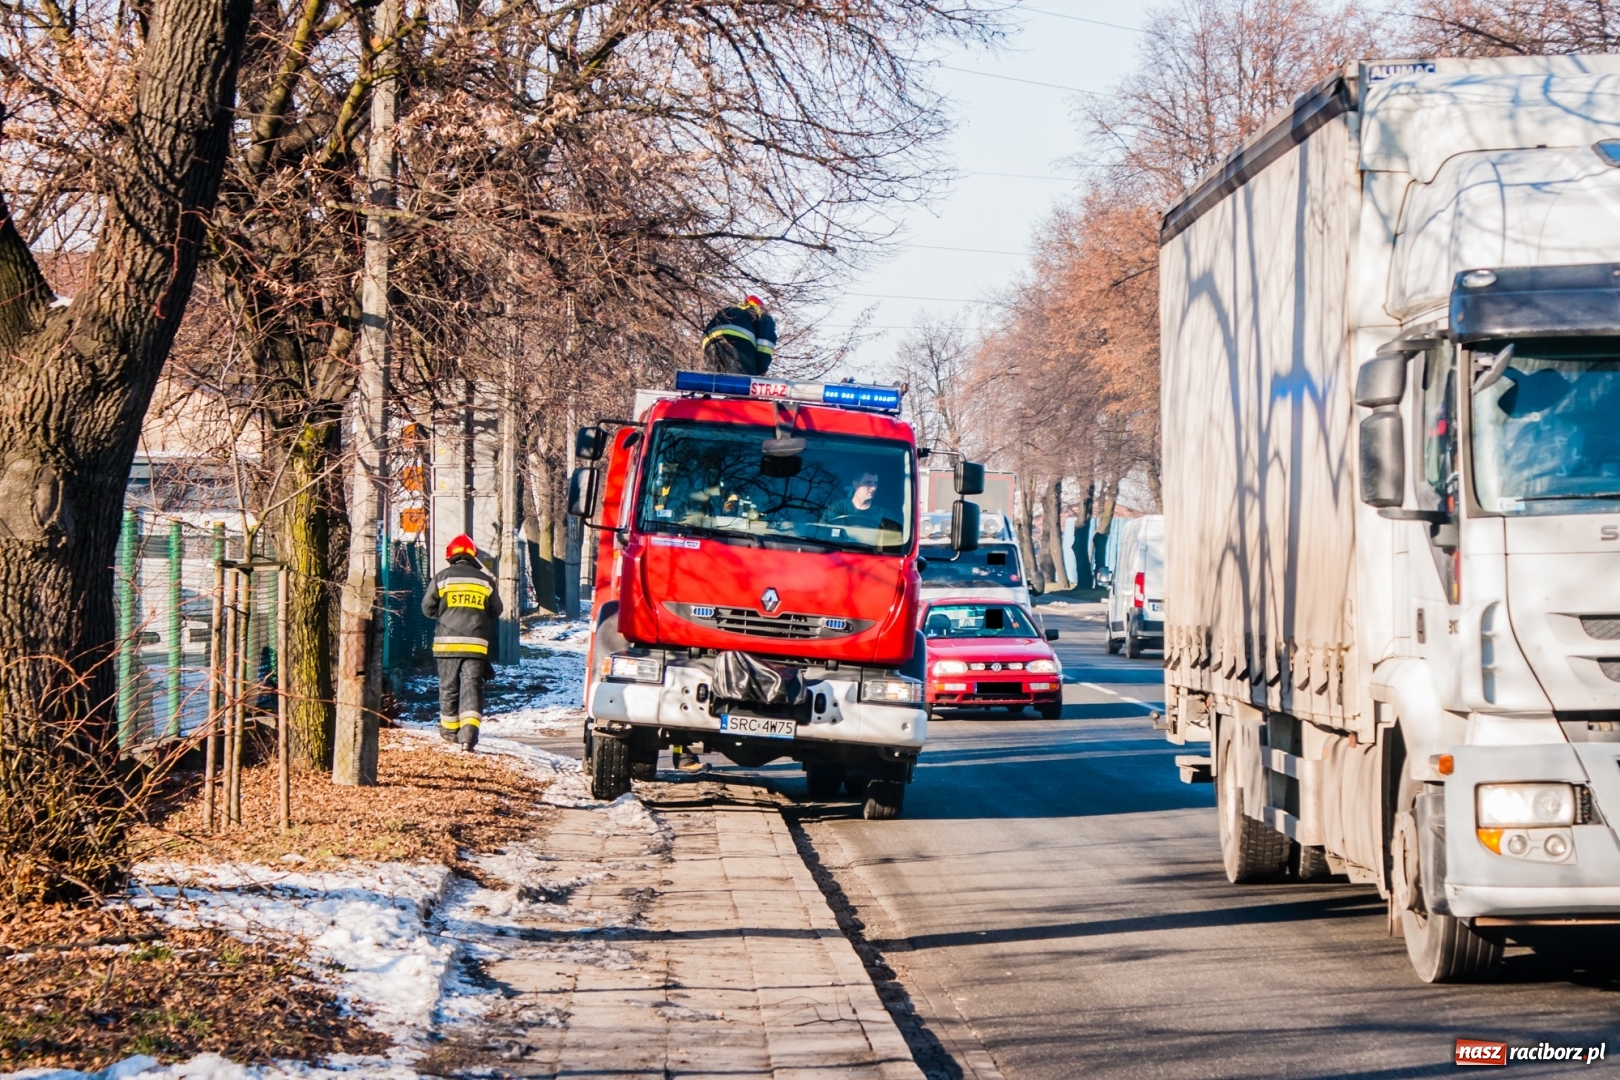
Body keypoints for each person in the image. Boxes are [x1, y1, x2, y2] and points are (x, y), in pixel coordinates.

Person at [422, 533, 503, 750]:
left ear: (451, 555)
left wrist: (445, 611)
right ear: (472, 556)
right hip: (476, 647)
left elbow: (427, 609)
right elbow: (497, 611)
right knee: (472, 687)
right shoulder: (485, 581)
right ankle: (468, 737)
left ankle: (450, 733)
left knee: (448, 688)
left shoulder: (442, 577)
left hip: (447, 646)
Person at [702, 295, 777, 376]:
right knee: (742, 382)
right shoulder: (763, 315)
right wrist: (760, 371)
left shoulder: (730, 310)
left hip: (709, 341)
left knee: (715, 382)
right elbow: (765, 345)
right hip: (738, 341)